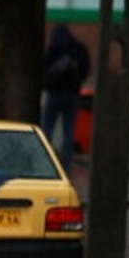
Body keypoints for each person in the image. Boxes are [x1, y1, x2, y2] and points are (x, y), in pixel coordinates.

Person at [41, 23, 91, 173]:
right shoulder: (79, 48)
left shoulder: (53, 48)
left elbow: (44, 68)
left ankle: (45, 163)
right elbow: (86, 68)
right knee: (68, 131)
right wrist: (77, 82)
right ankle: (66, 165)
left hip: (54, 94)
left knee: (47, 129)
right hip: (72, 95)